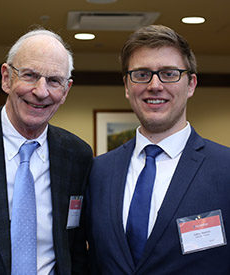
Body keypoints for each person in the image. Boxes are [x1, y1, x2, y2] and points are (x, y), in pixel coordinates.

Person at [86, 25, 230, 274]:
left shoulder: (226, 168)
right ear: (127, 86)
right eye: (141, 74)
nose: (154, 85)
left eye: (169, 73)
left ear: (191, 84)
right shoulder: (98, 171)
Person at [0, 29, 92, 274]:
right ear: (6, 78)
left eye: (54, 81)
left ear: (66, 90)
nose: (41, 91)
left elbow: (75, 250)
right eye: (30, 75)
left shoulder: (76, 155)